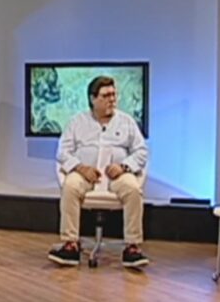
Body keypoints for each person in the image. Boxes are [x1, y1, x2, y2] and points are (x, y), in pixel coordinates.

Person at [49, 76, 150, 268]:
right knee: (70, 186)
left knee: (133, 190)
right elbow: (62, 152)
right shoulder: (77, 122)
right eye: (106, 96)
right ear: (93, 99)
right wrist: (81, 168)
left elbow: (142, 151)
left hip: (117, 175)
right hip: (85, 174)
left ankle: (132, 247)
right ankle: (70, 245)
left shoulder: (127, 122)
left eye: (113, 95)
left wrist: (124, 166)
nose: (112, 99)